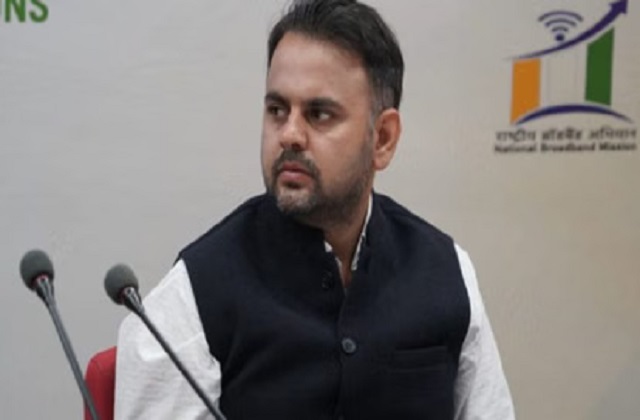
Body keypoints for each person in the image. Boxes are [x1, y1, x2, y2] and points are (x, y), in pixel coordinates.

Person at [114, 0, 515, 419]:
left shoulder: (446, 272)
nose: (289, 134)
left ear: (382, 138)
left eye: (319, 114)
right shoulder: (192, 296)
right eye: (277, 110)